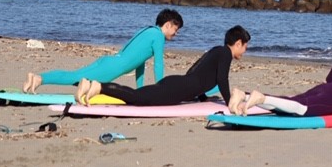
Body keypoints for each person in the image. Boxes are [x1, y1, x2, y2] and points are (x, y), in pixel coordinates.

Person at [229, 24, 332, 120]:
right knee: (299, 109)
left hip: (324, 89)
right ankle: (260, 97)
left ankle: (244, 95)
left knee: (290, 104)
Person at [75, 25, 250, 106]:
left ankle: (93, 86)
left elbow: (194, 72)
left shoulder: (217, 50)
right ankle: (96, 86)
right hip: (176, 89)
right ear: (238, 43)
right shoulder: (226, 53)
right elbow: (221, 79)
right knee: (136, 98)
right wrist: (229, 103)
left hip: (176, 83)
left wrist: (202, 98)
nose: (245, 50)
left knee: (137, 97)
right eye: (245, 46)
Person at [22, 8, 183, 94]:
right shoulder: (158, 37)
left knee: (75, 75)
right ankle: (39, 79)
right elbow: (158, 65)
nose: (176, 33)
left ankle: (37, 78)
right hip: (112, 68)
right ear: (168, 24)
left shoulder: (147, 31)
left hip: (109, 61)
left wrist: (139, 91)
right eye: (175, 29)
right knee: (75, 79)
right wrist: (162, 89)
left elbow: (140, 64)